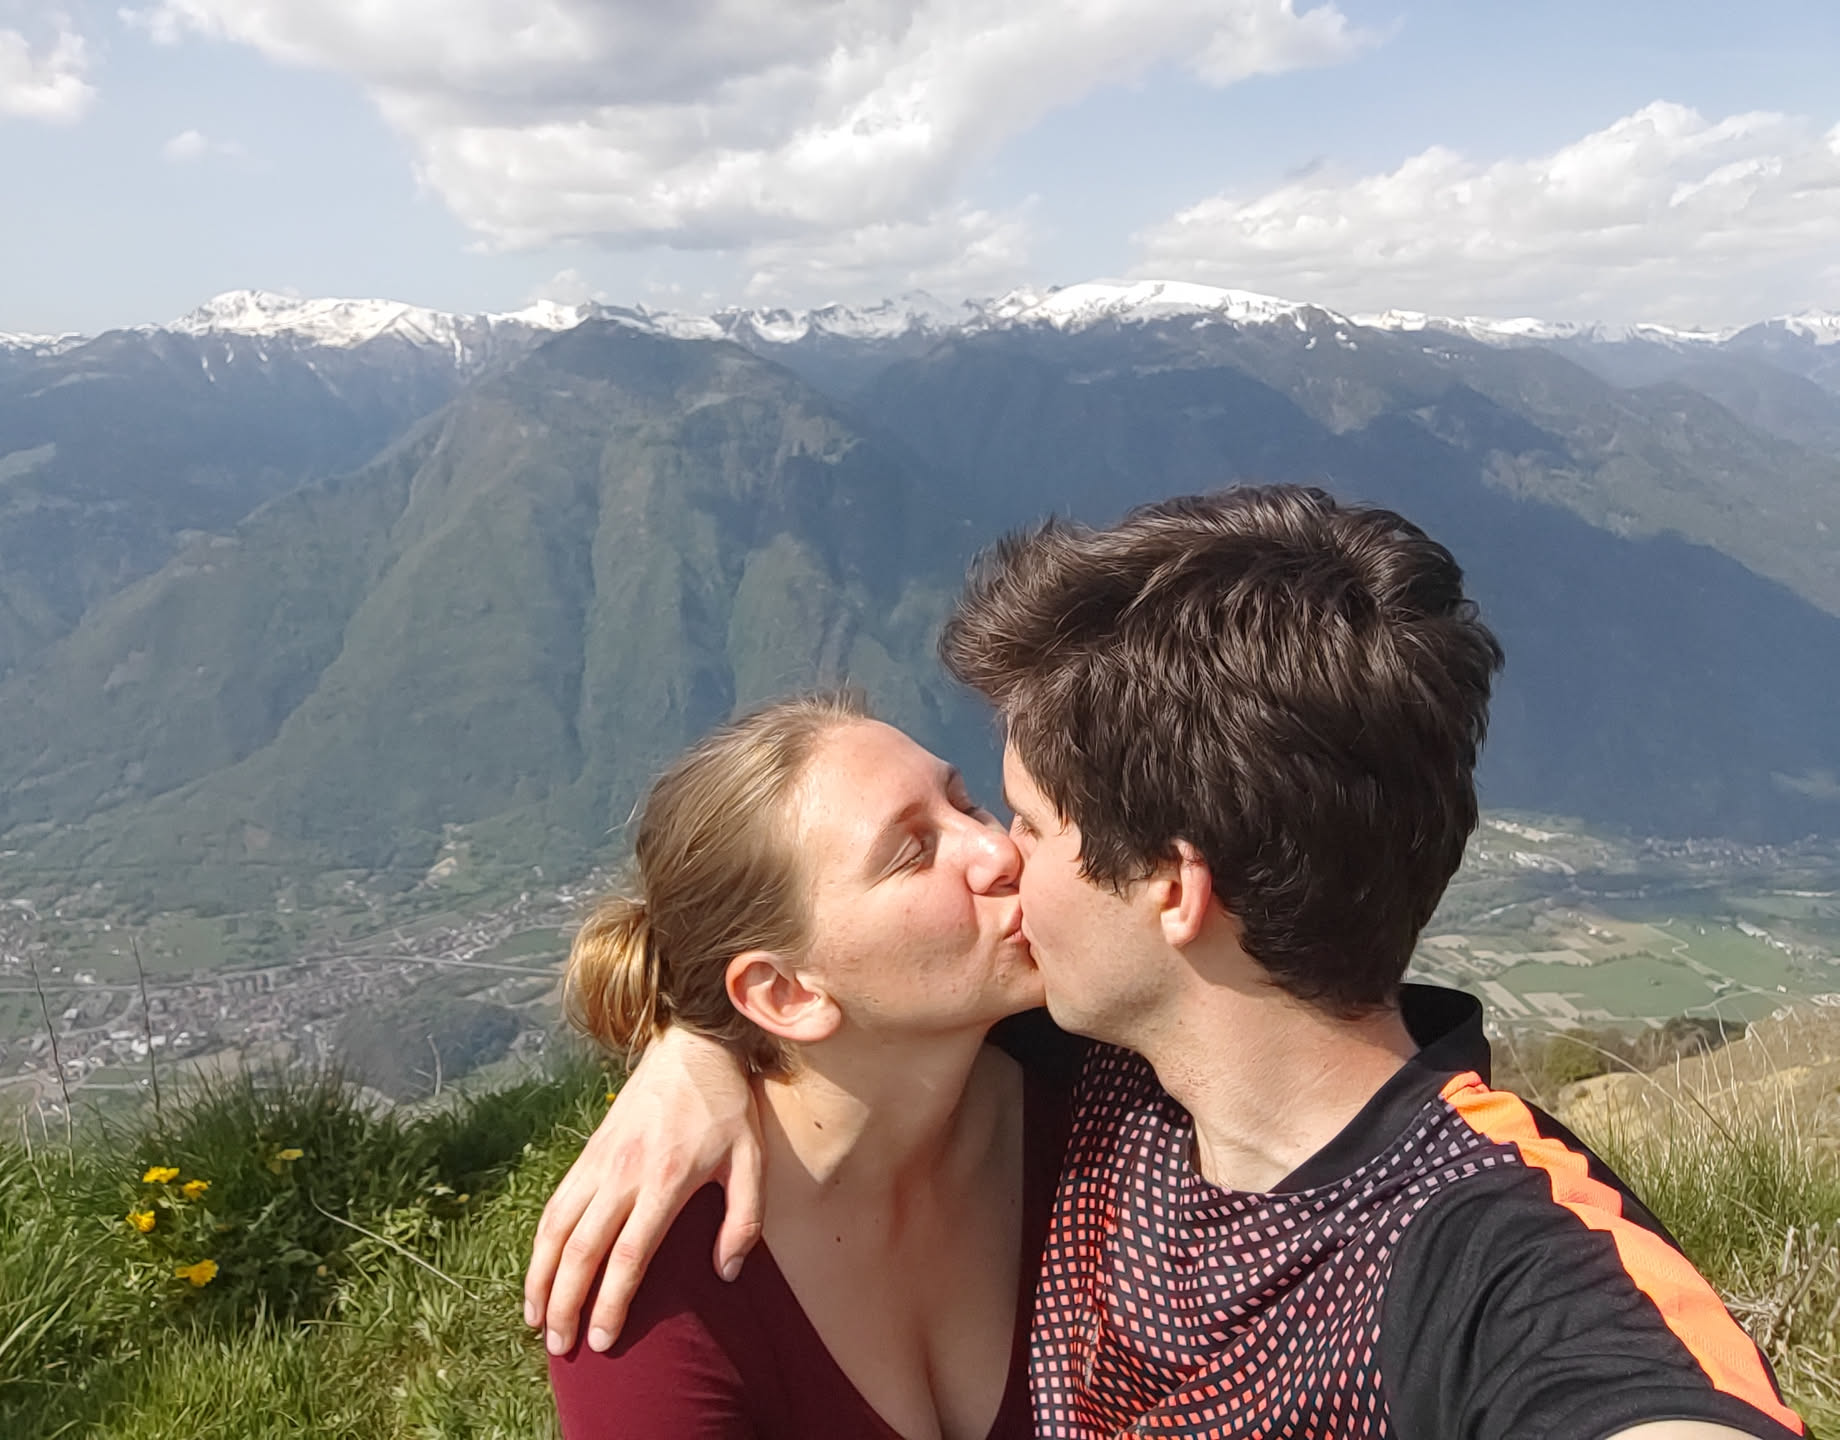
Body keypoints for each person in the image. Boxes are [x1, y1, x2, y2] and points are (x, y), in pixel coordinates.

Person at [527, 486, 1804, 1440]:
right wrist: (693, 1051)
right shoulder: (1092, 1069)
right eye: (940, 838)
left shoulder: (1481, 1249)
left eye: (1024, 823)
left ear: (1173, 892)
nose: (998, 858)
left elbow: (1627, 1388)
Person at [543, 690, 1072, 1440]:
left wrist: (688, 1044)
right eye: (914, 852)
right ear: (787, 994)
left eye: (964, 803)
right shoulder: (653, 1277)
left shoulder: (1100, 1087)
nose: (998, 852)